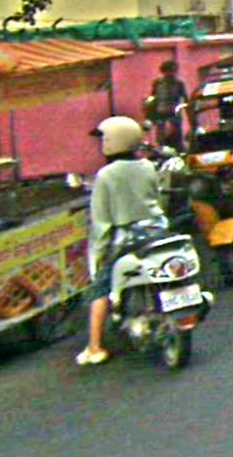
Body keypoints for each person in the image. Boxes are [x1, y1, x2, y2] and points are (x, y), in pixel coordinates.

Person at [76, 116, 167, 365]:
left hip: (127, 238)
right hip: (157, 230)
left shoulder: (106, 175)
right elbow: (157, 198)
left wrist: (97, 259)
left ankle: (94, 347)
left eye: (103, 139)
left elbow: (101, 224)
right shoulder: (147, 166)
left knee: (100, 288)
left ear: (111, 141)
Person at [151, 60, 188, 151]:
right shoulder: (157, 82)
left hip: (174, 112)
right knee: (161, 135)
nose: (171, 74)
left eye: (173, 71)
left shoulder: (179, 83)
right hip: (161, 112)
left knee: (177, 134)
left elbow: (185, 98)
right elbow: (153, 97)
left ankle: (179, 149)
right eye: (168, 71)